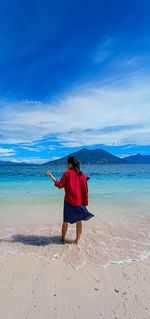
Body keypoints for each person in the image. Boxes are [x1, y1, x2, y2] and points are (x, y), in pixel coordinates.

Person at [47, 156, 94, 245]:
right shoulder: (82, 175)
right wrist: (84, 201)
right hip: (80, 201)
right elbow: (85, 190)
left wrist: (51, 176)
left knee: (65, 221)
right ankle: (77, 242)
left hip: (69, 201)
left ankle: (63, 240)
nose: (66, 165)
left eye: (67, 163)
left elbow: (60, 185)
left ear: (70, 164)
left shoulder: (67, 174)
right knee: (79, 221)